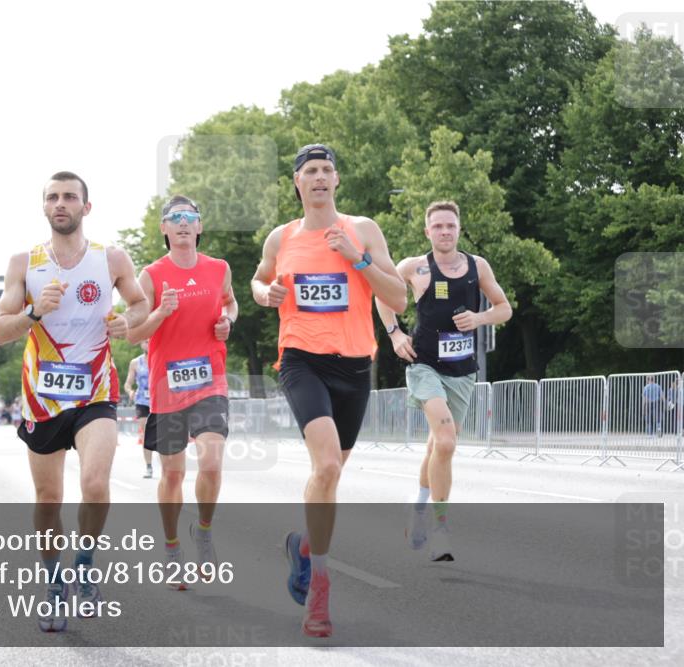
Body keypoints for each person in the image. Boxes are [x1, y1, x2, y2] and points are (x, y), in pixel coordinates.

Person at [251, 144, 406, 637]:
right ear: (296, 183)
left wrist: (357, 258)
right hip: (301, 360)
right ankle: (319, 590)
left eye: (327, 170)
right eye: (310, 171)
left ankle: (301, 544)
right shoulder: (282, 238)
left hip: (355, 366)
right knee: (328, 466)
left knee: (330, 477)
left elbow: (398, 296)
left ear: (337, 181)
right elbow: (258, 279)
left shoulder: (364, 230)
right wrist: (265, 293)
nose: (319, 177)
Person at [0, 171, 148, 633]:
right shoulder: (25, 262)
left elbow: (139, 305)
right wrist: (35, 312)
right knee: (49, 498)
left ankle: (84, 566)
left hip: (96, 390)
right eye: (53, 197)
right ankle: (53, 582)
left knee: (96, 484)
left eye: (70, 197)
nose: (61, 204)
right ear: (44, 207)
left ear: (86, 207)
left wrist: (127, 322)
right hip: (42, 399)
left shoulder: (111, 259)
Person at [376, 200, 512, 563]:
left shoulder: (477, 266)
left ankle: (417, 509)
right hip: (425, 367)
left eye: (450, 225)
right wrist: (394, 334)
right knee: (447, 442)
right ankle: (440, 529)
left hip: (463, 372)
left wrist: (480, 318)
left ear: (459, 228)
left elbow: (504, 307)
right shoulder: (415, 267)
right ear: (427, 232)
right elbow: (383, 294)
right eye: (437, 226)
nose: (445, 232)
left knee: (438, 445)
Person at [127, 195, 238, 590]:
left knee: (211, 462)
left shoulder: (219, 269)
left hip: (211, 380)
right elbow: (133, 333)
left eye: (190, 217)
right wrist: (160, 314)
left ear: (200, 226)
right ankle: (172, 545)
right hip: (166, 387)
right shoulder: (150, 276)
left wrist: (227, 320)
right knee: (173, 474)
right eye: (175, 218)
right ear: (164, 229)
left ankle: (203, 533)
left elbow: (230, 304)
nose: (183, 224)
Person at [124, 340, 154, 478]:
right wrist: (130, 392)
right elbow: (128, 384)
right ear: (141, 343)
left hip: (160, 400)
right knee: (146, 432)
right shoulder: (135, 363)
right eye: (145, 342)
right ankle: (149, 466)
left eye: (150, 341)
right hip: (142, 400)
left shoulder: (161, 358)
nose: (147, 344)